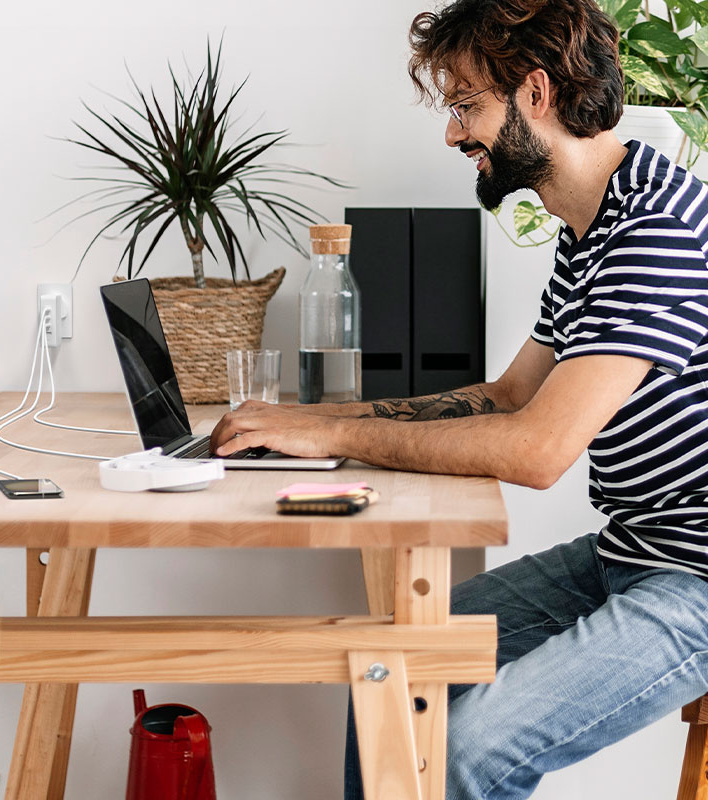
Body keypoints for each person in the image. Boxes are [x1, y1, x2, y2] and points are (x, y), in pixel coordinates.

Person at [209, 0, 708, 796]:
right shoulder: (592, 225)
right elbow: (511, 396)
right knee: (391, 664)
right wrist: (312, 424)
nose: (453, 135)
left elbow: (536, 450)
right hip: (634, 550)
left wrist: (332, 434)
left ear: (536, 94)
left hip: (696, 581)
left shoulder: (656, 228)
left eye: (466, 105)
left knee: (466, 751)